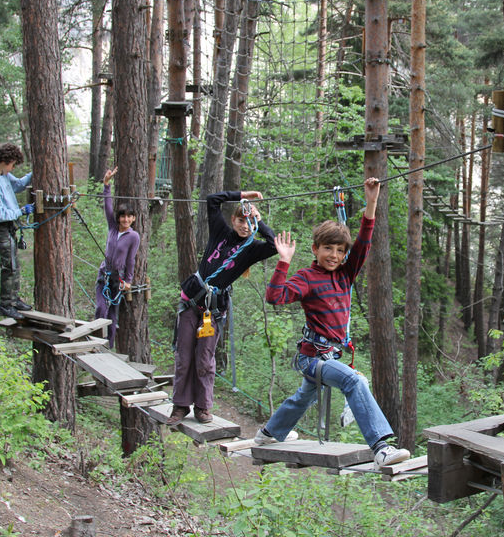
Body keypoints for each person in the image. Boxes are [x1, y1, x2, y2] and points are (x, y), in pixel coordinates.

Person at [256, 178, 412, 470]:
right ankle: (380, 447)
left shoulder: (345, 274)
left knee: (304, 397)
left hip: (332, 355)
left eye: (340, 251)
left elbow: (364, 242)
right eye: (328, 249)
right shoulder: (306, 277)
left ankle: (268, 433)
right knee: (354, 380)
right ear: (315, 249)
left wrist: (371, 203)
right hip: (311, 357)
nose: (335, 256)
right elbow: (275, 297)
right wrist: (284, 262)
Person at [169, 190, 278, 425]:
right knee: (184, 355)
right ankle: (180, 406)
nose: (245, 226)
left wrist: (258, 219)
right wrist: (243, 195)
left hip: (214, 307)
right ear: (233, 220)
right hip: (191, 299)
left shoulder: (251, 249)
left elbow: (275, 245)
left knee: (205, 359)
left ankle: (202, 407)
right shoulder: (220, 232)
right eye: (241, 220)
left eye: (249, 222)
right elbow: (212, 200)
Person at [0, 143, 33, 320]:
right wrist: (21, 211)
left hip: (8, 226)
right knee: (8, 265)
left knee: (14, 263)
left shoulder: (3, 175)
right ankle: (4, 305)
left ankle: (13, 299)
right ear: (4, 161)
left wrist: (34, 174)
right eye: (12, 164)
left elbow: (18, 185)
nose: (13, 168)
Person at [94, 167, 140, 349]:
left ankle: (108, 346)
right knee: (101, 309)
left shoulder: (133, 236)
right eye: (123, 216)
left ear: (133, 219)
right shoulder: (113, 228)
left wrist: (128, 281)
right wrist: (106, 184)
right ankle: (96, 343)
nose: (125, 220)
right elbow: (108, 206)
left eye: (129, 217)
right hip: (104, 275)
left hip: (117, 280)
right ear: (118, 218)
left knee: (112, 313)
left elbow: (131, 260)